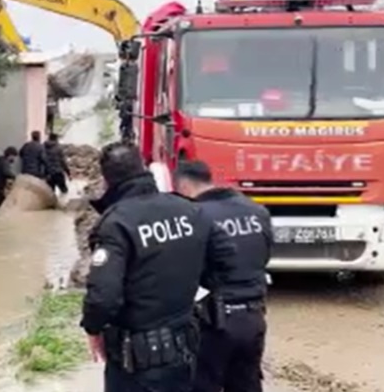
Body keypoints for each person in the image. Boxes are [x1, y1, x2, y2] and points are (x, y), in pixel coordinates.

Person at [81, 142, 237, 392]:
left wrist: (93, 328)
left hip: (136, 364)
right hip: (185, 351)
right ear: (143, 167)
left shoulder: (116, 222)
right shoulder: (189, 210)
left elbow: (103, 297)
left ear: (107, 180)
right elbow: (227, 261)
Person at [172, 160, 272, 392]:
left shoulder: (195, 216)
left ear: (184, 187)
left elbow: (187, 270)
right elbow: (264, 258)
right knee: (247, 384)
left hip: (214, 322)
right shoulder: (257, 210)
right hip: (254, 318)